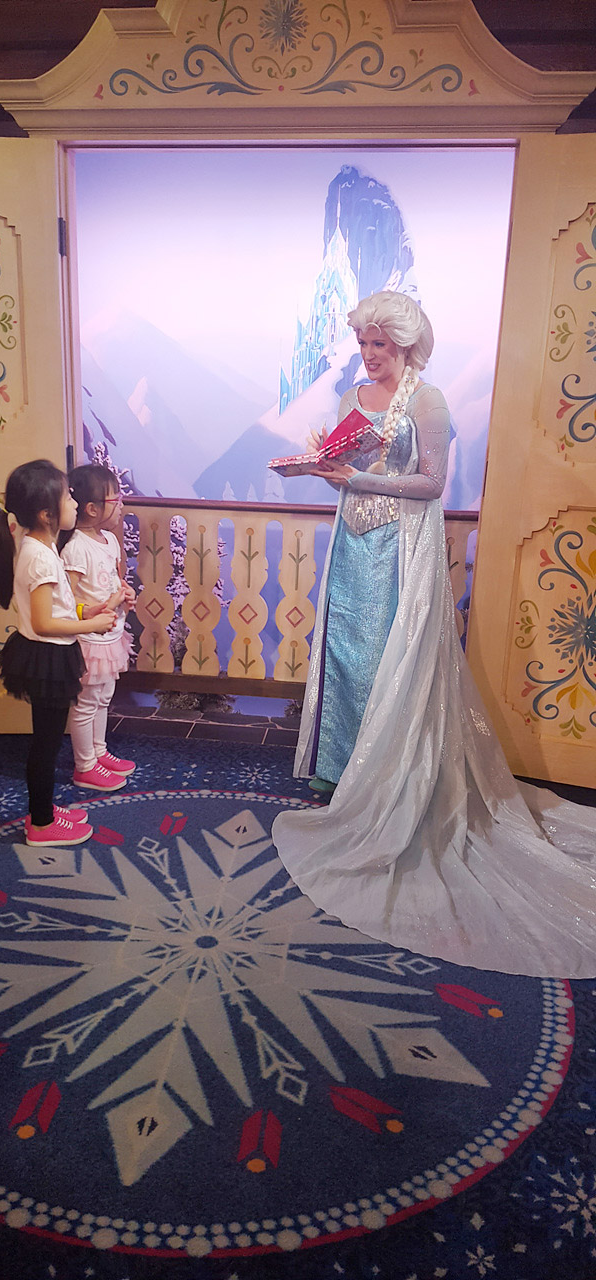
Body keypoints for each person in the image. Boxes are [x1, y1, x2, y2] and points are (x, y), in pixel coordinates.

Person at [272, 290, 596, 979]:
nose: (369, 355)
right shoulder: (352, 398)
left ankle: (394, 781)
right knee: (347, 657)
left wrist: (359, 478)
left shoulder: (429, 400)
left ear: (406, 346)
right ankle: (342, 773)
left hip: (401, 550)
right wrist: (327, 473)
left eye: (380, 345)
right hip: (353, 547)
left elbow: (432, 483)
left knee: (391, 661)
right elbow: (346, 482)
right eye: (363, 344)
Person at [0, 459, 116, 847]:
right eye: (68, 498)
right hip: (47, 656)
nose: (75, 504)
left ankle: (43, 810)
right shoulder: (41, 556)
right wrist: (91, 626)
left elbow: (56, 605)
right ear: (47, 514)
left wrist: (85, 611)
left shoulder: (41, 547)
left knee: (48, 741)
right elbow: (45, 623)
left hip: (48, 655)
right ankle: (42, 825)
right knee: (45, 746)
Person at [60, 464, 136, 790]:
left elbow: (115, 580)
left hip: (111, 635)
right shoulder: (76, 546)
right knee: (85, 704)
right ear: (92, 509)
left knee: (103, 698)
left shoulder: (110, 541)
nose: (121, 505)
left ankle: (99, 752)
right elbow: (67, 596)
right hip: (89, 639)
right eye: (116, 500)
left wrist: (125, 593)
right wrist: (98, 608)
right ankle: (85, 765)